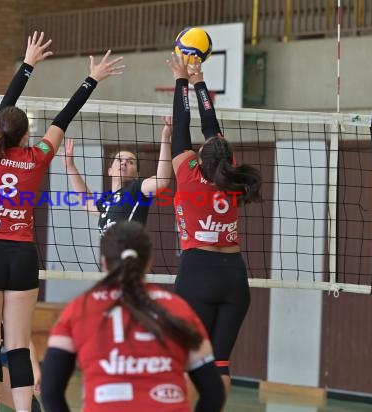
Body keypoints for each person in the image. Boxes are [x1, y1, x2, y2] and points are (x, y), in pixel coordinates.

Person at [0, 28, 124, 412]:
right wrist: (92, 79)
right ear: (25, 135)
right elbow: (64, 117)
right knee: (18, 344)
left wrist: (27, 65)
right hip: (22, 257)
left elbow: (4, 107)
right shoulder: (37, 158)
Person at [41, 221, 225, 412]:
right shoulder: (179, 308)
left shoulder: (79, 309)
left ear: (103, 262)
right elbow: (213, 394)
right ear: (148, 262)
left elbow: (50, 392)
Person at [166, 53, 262, 400]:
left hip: (198, 272)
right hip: (234, 276)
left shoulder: (188, 173)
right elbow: (210, 125)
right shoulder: (232, 176)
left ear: (201, 159)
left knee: (188, 360)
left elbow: (182, 126)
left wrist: (182, 81)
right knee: (220, 363)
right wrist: (197, 81)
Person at [58, 116, 173, 235]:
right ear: (110, 171)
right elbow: (86, 202)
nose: (124, 162)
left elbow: (162, 180)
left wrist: (165, 137)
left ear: (137, 174)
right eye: (119, 159)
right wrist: (70, 166)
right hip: (110, 253)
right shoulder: (107, 199)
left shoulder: (137, 189)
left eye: (131, 162)